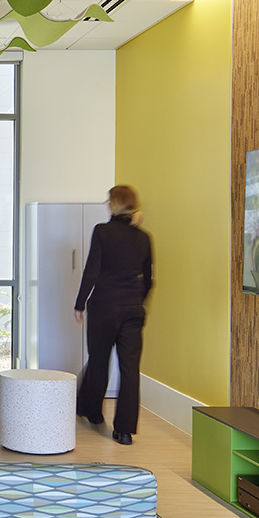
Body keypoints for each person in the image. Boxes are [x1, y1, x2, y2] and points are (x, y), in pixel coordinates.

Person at [73, 186, 154, 445]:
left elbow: (92, 270)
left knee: (99, 360)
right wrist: (136, 302)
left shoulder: (102, 231)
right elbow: (149, 279)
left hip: (104, 307)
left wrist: (80, 303)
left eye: (109, 200)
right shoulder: (144, 238)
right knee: (130, 369)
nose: (107, 204)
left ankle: (94, 413)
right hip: (133, 310)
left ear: (116, 203)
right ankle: (125, 431)